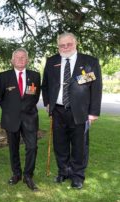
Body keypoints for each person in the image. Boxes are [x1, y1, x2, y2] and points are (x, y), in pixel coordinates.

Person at [42, 32, 102, 189]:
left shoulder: (89, 62)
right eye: (62, 45)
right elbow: (46, 85)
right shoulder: (52, 61)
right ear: (58, 46)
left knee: (79, 145)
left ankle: (77, 175)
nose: (65, 47)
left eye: (68, 44)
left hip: (80, 111)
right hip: (58, 111)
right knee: (60, 144)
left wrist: (93, 112)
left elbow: (96, 89)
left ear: (76, 44)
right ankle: (64, 172)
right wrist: (48, 102)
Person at [0, 48, 41, 191]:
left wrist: (25, 108)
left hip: (30, 118)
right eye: (18, 58)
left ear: (27, 60)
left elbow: (35, 96)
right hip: (11, 118)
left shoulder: (35, 76)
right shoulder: (4, 76)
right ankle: (16, 174)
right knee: (13, 148)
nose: (21, 60)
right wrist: (12, 110)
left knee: (32, 147)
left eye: (23, 58)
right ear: (12, 60)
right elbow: (1, 98)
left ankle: (28, 175)